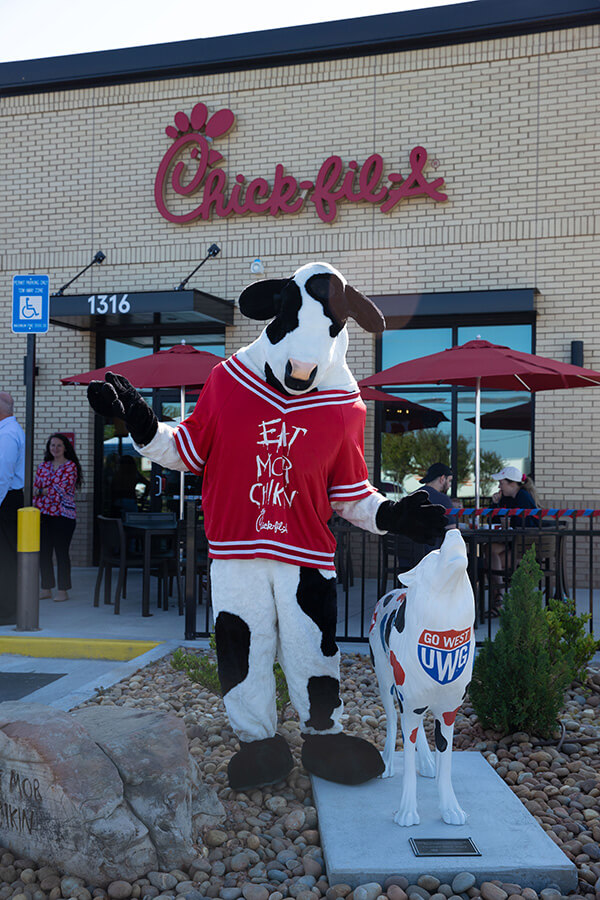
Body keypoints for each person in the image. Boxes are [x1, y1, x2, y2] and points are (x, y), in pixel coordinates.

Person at [33, 433, 83, 602]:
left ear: (65, 448)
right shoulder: (43, 466)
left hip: (63, 516)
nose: (55, 448)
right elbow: (36, 488)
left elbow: (60, 489)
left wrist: (43, 491)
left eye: (59, 445)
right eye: (52, 445)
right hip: (43, 515)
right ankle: (46, 588)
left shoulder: (70, 466)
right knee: (44, 553)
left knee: (61, 553)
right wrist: (42, 492)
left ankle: (63, 591)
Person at [488, 465, 540, 615]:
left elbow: (531, 524)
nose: (499, 486)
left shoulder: (523, 496)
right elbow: (494, 519)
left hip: (525, 551)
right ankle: (500, 597)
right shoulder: (507, 498)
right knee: (488, 550)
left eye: (501, 483)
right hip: (513, 545)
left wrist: (512, 522)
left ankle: (499, 598)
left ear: (512, 483)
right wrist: (495, 504)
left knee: (488, 561)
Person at [0, 392, 25, 625]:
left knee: (5, 558)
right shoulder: (9, 431)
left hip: (6, 501)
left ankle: (7, 612)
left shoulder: (7, 434)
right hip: (9, 499)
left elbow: (2, 476)